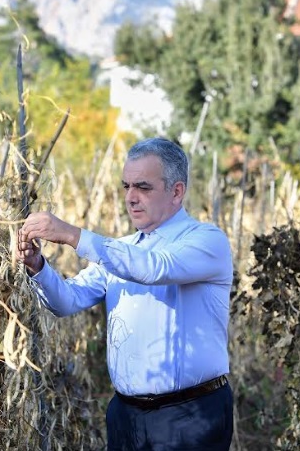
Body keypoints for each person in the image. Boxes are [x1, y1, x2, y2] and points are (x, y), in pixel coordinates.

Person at [17, 137, 233, 451]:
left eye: (143, 187)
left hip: (190, 415)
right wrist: (37, 266)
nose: (131, 198)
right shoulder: (123, 250)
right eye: (126, 186)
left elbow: (154, 268)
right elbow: (66, 300)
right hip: (126, 416)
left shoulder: (206, 240)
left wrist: (71, 234)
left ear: (177, 191)